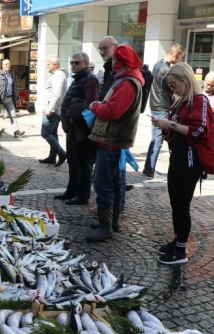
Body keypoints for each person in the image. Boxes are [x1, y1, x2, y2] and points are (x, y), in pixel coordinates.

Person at [150, 62, 214, 265]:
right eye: (170, 85)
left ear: (185, 80)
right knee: (175, 202)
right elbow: (174, 132)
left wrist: (170, 124)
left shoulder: (199, 100)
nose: (172, 88)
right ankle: (177, 242)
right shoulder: (179, 102)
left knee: (181, 204)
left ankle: (180, 251)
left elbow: (199, 131)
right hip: (177, 157)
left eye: (173, 84)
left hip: (190, 160)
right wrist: (164, 127)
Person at [86, 45, 144, 242]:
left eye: (113, 59)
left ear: (120, 62)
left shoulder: (127, 82)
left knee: (103, 182)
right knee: (114, 181)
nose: (110, 61)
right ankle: (111, 222)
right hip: (112, 140)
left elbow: (113, 111)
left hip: (112, 140)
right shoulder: (126, 79)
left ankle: (106, 226)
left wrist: (94, 106)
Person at [54, 52, 99, 205]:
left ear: (85, 64)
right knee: (72, 161)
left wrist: (74, 112)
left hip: (81, 128)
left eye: (77, 63)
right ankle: (71, 191)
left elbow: (91, 103)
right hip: (72, 127)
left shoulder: (90, 79)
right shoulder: (78, 78)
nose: (73, 65)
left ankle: (82, 195)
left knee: (82, 162)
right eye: (72, 62)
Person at [143, 43, 186, 178]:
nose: (179, 61)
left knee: (156, 138)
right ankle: (150, 170)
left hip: (156, 104)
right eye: (180, 58)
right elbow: (174, 90)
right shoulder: (166, 70)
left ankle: (148, 168)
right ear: (175, 55)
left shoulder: (157, 64)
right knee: (158, 139)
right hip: (162, 106)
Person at [39, 55, 68, 166]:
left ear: (55, 65)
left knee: (45, 132)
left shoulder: (58, 76)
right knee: (52, 133)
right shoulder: (57, 75)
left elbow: (57, 94)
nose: (47, 66)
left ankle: (61, 153)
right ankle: (52, 156)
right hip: (55, 110)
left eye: (48, 64)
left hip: (53, 111)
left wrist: (50, 109)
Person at [0, 59, 25, 138]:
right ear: (2, 66)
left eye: (9, 64)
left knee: (13, 115)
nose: (8, 65)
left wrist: (17, 98)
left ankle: (16, 131)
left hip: (9, 99)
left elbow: (15, 88)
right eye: (6, 64)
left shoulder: (12, 75)